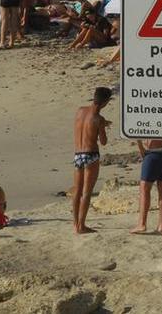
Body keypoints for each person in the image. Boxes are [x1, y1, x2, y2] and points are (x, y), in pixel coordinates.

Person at [72, 86, 112, 234]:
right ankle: (82, 226)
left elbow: (85, 125)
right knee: (87, 192)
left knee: (77, 191)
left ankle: (75, 224)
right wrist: (104, 127)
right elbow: (103, 141)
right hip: (91, 154)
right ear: (105, 103)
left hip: (78, 154)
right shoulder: (99, 119)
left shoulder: (80, 111)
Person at [131, 139, 162, 234]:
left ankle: (142, 224)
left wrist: (141, 148)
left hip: (154, 152)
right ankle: (161, 225)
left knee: (144, 187)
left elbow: (138, 130)